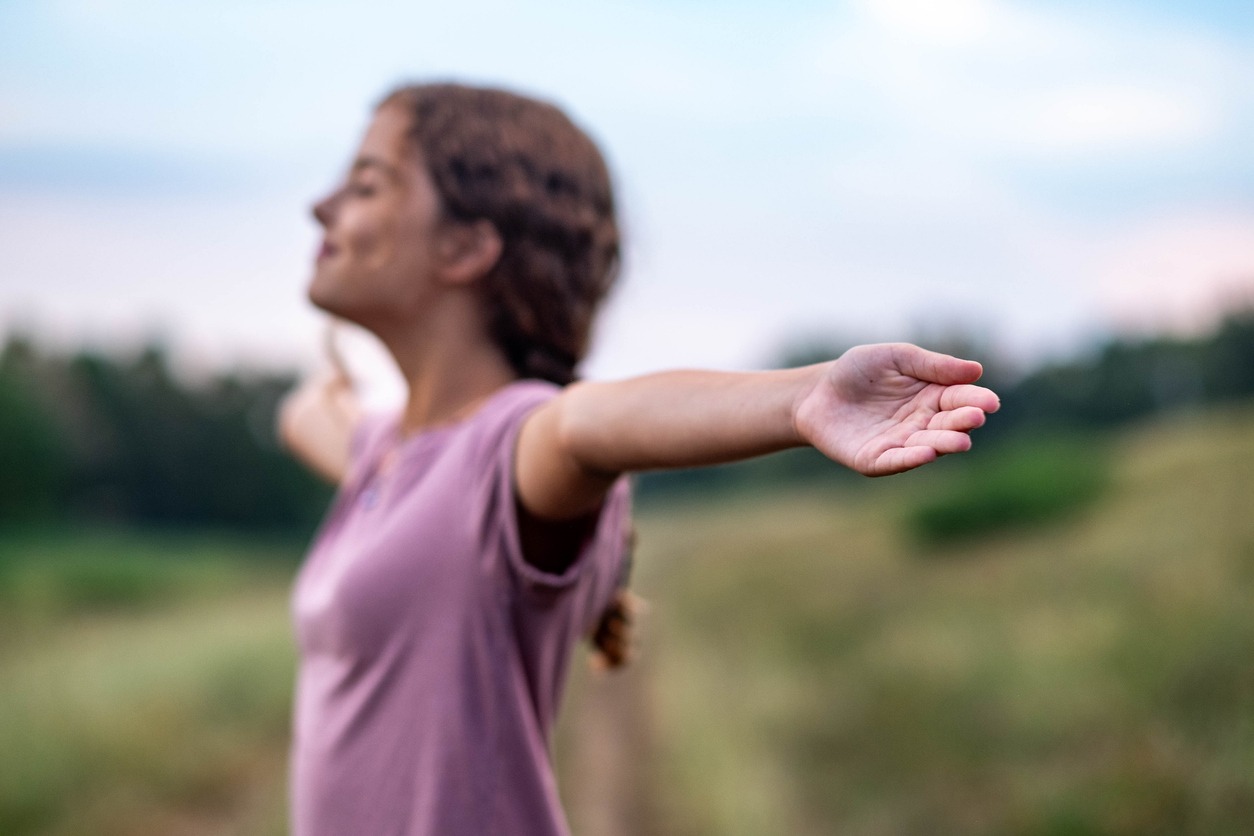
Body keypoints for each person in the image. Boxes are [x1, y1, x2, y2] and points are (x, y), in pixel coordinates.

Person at [278, 81, 1000, 836]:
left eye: (366, 184)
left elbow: (589, 423)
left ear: (465, 246)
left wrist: (803, 396)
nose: (322, 208)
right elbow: (303, 415)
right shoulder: (393, 457)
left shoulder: (509, 445)